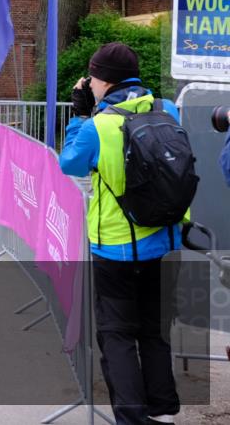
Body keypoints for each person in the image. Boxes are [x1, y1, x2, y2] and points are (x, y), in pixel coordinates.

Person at [59, 42, 184, 425]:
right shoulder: (168, 109)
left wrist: (81, 115)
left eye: (93, 78)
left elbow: (69, 164)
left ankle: (131, 418)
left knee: (117, 335)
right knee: (154, 332)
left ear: (105, 80)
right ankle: (163, 413)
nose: (90, 84)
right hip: (166, 241)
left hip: (116, 248)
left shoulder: (98, 126)